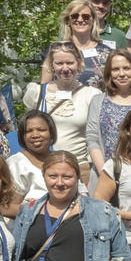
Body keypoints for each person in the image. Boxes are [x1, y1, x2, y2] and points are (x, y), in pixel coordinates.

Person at [87, 51, 131, 181]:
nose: (121, 74)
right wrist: (106, 175)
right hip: (104, 174)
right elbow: (92, 139)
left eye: (126, 68)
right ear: (109, 73)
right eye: (115, 69)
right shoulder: (97, 101)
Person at [26, 42, 100, 170]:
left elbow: (97, 136)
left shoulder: (91, 95)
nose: (65, 69)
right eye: (59, 63)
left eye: (70, 63)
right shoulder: (37, 93)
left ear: (78, 64)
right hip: (43, 167)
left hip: (79, 168)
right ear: (52, 65)